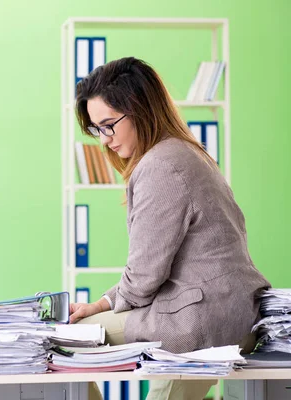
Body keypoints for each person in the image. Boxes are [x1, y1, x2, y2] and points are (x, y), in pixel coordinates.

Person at [68, 57, 270, 400]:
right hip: (235, 312)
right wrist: (102, 303)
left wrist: (104, 305)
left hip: (200, 321)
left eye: (108, 125)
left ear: (139, 109)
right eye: (96, 129)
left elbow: (144, 279)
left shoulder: (161, 165)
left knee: (67, 342)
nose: (104, 140)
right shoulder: (188, 154)